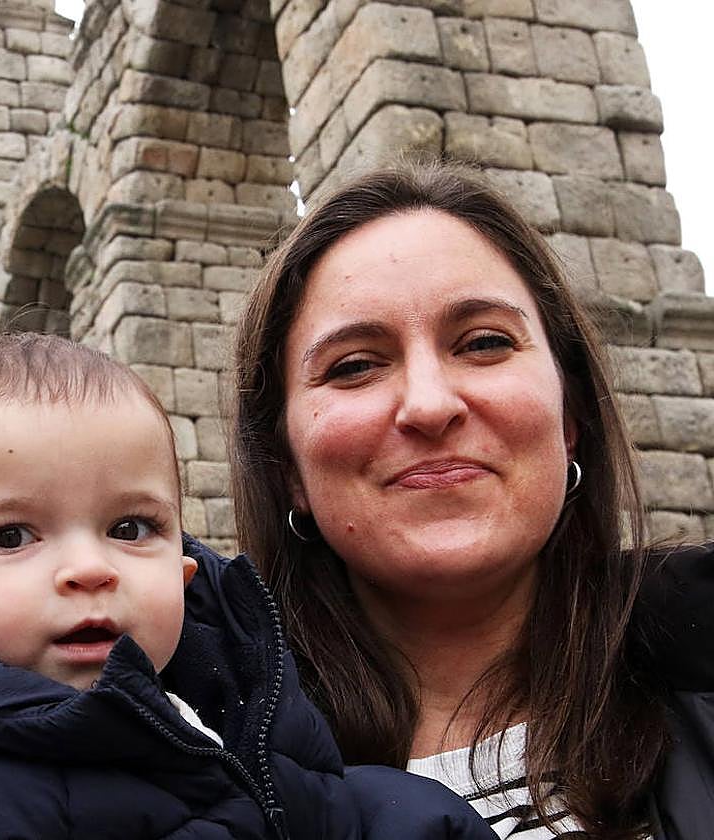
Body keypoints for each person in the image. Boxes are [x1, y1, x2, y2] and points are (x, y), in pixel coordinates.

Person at [0, 333, 495, 840]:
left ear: (184, 576)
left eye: (131, 528)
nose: (89, 567)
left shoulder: (233, 718)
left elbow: (340, 811)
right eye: (11, 536)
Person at [229, 161, 714, 839]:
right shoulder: (178, 762)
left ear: (570, 417)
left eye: (485, 342)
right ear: (286, 467)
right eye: (355, 365)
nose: (429, 405)